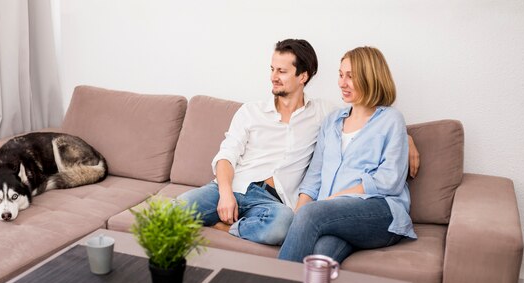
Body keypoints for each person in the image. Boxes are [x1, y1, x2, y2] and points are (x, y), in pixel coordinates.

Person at [178, 40, 419, 246]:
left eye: (282, 71)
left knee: (282, 225)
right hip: (235, 186)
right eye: (272, 69)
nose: (273, 77)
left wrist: (406, 138)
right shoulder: (250, 111)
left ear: (303, 76)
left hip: (273, 203)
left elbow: (368, 119)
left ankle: (226, 228)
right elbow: (225, 156)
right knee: (174, 211)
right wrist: (225, 194)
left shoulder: (325, 114)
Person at [278, 46, 417, 263]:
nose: (342, 83)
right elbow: (313, 179)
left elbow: (389, 180)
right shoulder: (332, 121)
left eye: (351, 77)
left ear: (370, 78)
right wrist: (298, 218)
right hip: (334, 217)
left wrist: (331, 202)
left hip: (380, 211)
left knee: (311, 214)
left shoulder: (391, 120)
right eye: (341, 75)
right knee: (320, 254)